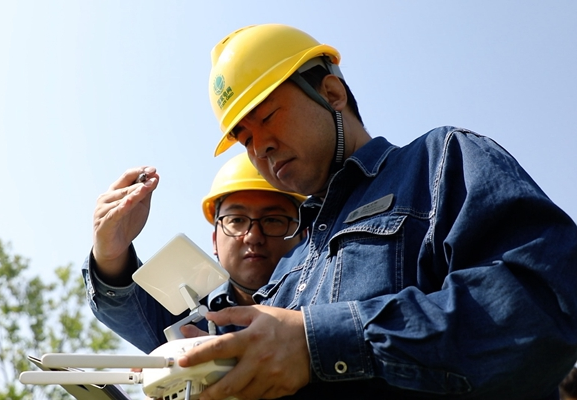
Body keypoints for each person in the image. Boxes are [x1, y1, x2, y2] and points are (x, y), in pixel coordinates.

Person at [177, 24, 577, 399]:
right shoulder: (289, 267)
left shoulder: (440, 162)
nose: (260, 146)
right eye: (244, 137)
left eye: (267, 117)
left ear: (332, 93)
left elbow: (543, 304)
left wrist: (320, 341)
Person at [81, 152, 306, 354]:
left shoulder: (325, 302)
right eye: (237, 220)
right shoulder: (185, 313)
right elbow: (129, 309)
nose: (253, 236)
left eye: (273, 220)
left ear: (304, 235)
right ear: (215, 240)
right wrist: (110, 255)